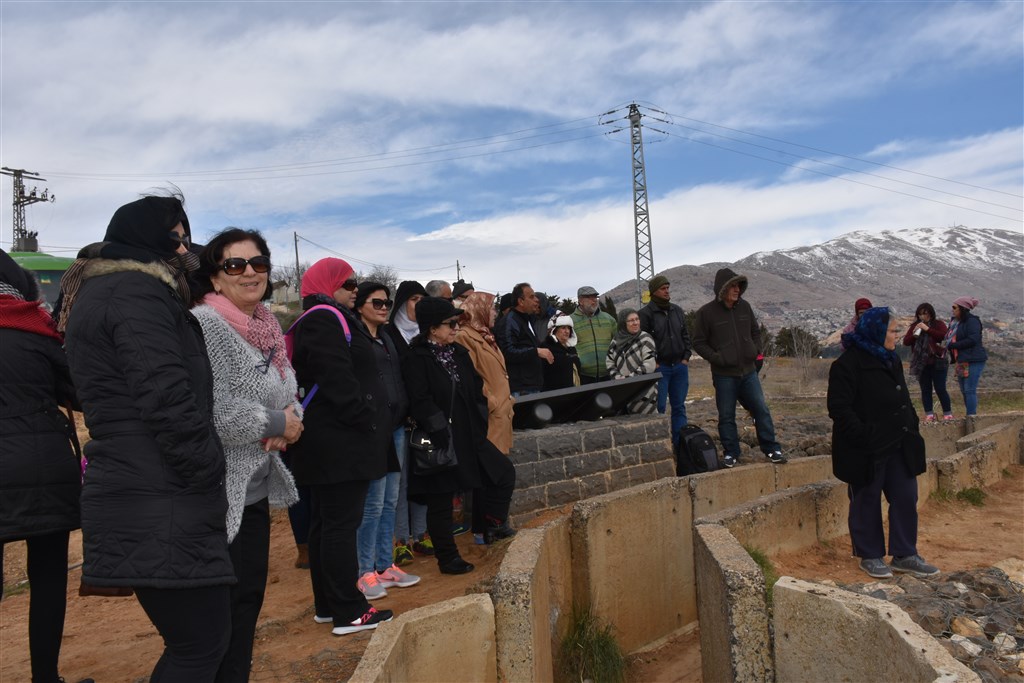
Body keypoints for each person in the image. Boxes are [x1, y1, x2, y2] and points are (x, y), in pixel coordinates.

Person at [63, 194, 235, 681]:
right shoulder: (133, 294)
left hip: (151, 487)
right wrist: (208, 470)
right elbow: (166, 399)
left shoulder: (119, 291)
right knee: (199, 646)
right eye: (177, 237)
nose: (186, 250)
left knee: (199, 641)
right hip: (160, 491)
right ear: (147, 240)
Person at [191, 228, 303, 681]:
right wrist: (277, 424)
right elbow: (214, 412)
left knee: (249, 602)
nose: (249, 273)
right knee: (219, 617)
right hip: (220, 494)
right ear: (216, 278)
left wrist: (291, 417)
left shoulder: (268, 325)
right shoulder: (206, 325)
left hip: (255, 489)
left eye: (258, 263)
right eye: (235, 265)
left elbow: (291, 387)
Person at [286, 258, 394, 636]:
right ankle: (349, 610)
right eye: (347, 282)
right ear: (327, 283)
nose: (354, 289)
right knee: (339, 527)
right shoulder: (323, 318)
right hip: (337, 442)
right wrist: (365, 419)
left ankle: (329, 605)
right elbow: (336, 379)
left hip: (330, 441)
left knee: (326, 524)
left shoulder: (328, 317)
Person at [0, 250, 89, 683]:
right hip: (41, 468)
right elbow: (79, 394)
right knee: (48, 578)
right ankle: (45, 678)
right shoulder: (34, 328)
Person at [402, 297, 517, 569]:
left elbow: (476, 388)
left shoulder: (458, 353)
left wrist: (477, 421)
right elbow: (419, 398)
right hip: (441, 438)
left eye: (457, 322)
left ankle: (493, 524)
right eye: (450, 323)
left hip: (470, 436)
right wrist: (439, 427)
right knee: (441, 500)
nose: (456, 328)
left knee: (502, 473)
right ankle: (448, 557)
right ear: (432, 328)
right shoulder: (416, 357)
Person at [828, 306, 938, 579]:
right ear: (876, 331)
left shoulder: (890, 359)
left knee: (905, 496)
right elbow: (839, 409)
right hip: (867, 448)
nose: (897, 335)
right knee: (866, 500)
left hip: (899, 441)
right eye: (892, 330)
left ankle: (905, 553)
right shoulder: (847, 365)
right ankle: (870, 555)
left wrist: (911, 422)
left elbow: (901, 398)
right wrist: (864, 435)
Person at [352, 282, 421, 601]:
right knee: (372, 504)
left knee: (391, 501)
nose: (383, 307)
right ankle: (363, 571)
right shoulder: (355, 340)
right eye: (376, 302)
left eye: (386, 302)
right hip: (371, 431)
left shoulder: (387, 338)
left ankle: (384, 565)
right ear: (360, 305)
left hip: (395, 427)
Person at [692, 268, 785, 468]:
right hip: (724, 375)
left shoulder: (745, 307)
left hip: (749, 372)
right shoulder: (706, 313)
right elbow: (698, 343)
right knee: (726, 415)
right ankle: (731, 453)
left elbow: (755, 332)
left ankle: (771, 449)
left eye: (739, 286)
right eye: (733, 286)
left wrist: (756, 350)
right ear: (723, 289)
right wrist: (717, 358)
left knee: (761, 409)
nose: (737, 289)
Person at [383, 280, 432, 564]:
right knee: (399, 482)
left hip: (423, 420)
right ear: (401, 303)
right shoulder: (389, 334)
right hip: (400, 421)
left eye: (422, 299)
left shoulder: (426, 335)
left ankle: (422, 533)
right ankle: (401, 539)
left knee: (423, 475)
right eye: (414, 299)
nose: (418, 304)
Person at [454, 291, 515, 455]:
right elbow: (470, 376)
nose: (495, 312)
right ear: (479, 309)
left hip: (501, 416)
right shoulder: (464, 336)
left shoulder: (487, 336)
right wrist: (491, 403)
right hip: (488, 418)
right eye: (492, 308)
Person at [639, 275, 692, 447]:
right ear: (654, 291)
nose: (667, 291)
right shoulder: (645, 314)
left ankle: (681, 446)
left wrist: (686, 357)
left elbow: (685, 334)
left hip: (679, 366)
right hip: (659, 369)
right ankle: (661, 446)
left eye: (668, 287)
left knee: (679, 407)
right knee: (659, 407)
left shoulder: (676, 310)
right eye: (663, 288)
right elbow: (644, 342)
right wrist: (653, 362)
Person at [499, 282, 552, 396]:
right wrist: (536, 351)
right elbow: (507, 352)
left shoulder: (527, 319)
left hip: (533, 385)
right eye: (532, 297)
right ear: (521, 301)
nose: (536, 300)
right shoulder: (511, 321)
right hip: (521, 389)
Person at [902, 303, 953, 422]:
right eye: (920, 314)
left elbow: (943, 337)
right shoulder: (915, 326)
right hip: (922, 363)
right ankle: (929, 414)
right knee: (925, 389)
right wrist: (916, 333)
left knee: (940, 388)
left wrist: (928, 330)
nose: (922, 316)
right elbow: (906, 341)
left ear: (930, 313)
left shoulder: (938, 324)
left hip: (937, 361)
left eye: (925, 313)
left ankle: (947, 413)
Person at [606, 308, 658, 414]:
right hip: (622, 392)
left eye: (637, 319)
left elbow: (649, 365)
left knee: (647, 423)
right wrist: (618, 378)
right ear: (623, 323)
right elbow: (609, 362)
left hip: (644, 391)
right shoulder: (615, 341)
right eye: (631, 320)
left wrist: (630, 380)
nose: (635, 323)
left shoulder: (645, 339)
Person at [946, 296, 988, 416]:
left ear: (962, 308)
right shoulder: (956, 323)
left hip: (974, 359)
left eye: (955, 307)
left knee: (970, 389)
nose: (952, 310)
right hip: (962, 359)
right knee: (964, 390)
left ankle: (971, 416)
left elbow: (973, 339)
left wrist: (954, 345)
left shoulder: (972, 321)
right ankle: (970, 414)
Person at [571, 286, 617, 384]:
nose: (594, 301)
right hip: (583, 376)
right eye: (589, 298)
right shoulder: (571, 321)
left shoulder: (608, 319)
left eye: (595, 297)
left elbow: (619, 341)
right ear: (580, 301)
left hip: (609, 374)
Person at [543, 314, 581, 391]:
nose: (567, 331)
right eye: (563, 328)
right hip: (554, 393)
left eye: (569, 328)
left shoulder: (572, 348)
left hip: (573, 391)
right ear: (555, 330)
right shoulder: (546, 347)